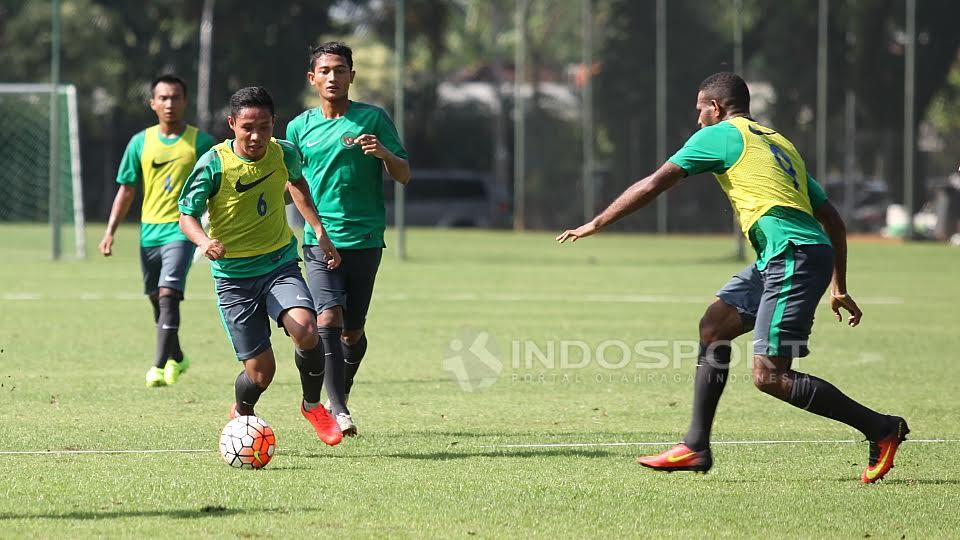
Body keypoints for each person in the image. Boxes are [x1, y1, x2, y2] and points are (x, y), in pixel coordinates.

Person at [558, 72, 908, 484]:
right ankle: (694, 447)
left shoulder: (721, 134)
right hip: (788, 256)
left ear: (716, 108)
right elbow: (830, 217)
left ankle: (881, 428)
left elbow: (656, 182)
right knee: (714, 326)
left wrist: (597, 222)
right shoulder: (778, 142)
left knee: (770, 376)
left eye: (699, 111)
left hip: (792, 256)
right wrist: (839, 285)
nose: (697, 120)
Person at [178, 86, 344, 446]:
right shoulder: (213, 163)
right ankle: (242, 410)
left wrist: (319, 230)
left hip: (278, 266)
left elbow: (297, 184)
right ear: (232, 124)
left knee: (306, 330)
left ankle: (313, 405)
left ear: (273, 124)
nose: (256, 136)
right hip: (234, 281)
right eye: (248, 127)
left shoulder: (284, 153)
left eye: (264, 127)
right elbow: (186, 216)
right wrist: (204, 242)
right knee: (260, 373)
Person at [286, 41, 411, 436]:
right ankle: (337, 409)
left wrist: (385, 156)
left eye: (340, 70)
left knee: (352, 333)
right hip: (320, 240)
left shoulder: (373, 120)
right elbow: (293, 183)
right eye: (325, 71)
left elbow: (405, 174)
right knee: (328, 317)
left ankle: (340, 391)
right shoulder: (298, 127)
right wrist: (315, 230)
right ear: (312, 79)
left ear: (352, 76)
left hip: (366, 239)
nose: (333, 77)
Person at [99, 74, 216, 388]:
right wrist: (110, 231)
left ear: (184, 101)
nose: (169, 103)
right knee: (157, 298)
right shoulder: (140, 142)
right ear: (153, 103)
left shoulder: (201, 143)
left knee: (168, 296)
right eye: (163, 98)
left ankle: (158, 366)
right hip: (148, 233)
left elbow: (219, 185)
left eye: (175, 97)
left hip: (181, 230)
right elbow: (126, 190)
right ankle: (178, 356)